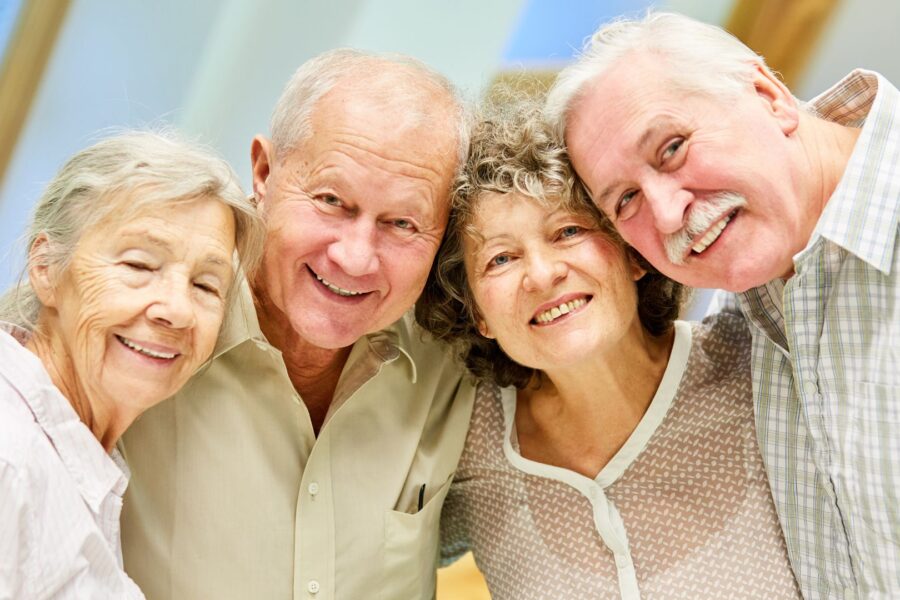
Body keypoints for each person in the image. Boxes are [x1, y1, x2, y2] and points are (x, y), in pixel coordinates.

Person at [544, 11, 900, 598]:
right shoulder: (739, 324)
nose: (666, 213)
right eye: (626, 198)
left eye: (673, 148)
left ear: (768, 97)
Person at [120, 50, 475, 600]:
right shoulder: (135, 319)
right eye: (332, 201)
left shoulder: (457, 362)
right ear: (263, 173)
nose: (356, 258)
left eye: (402, 223)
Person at [416, 100, 800, 599]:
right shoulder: (464, 441)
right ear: (478, 314)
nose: (542, 273)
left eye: (568, 232)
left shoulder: (756, 367)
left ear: (632, 250)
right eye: (501, 259)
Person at [0, 130, 263, 599]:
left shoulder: (84, 463)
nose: (177, 310)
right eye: (139, 266)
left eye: (206, 285)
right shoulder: (11, 459)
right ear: (45, 267)